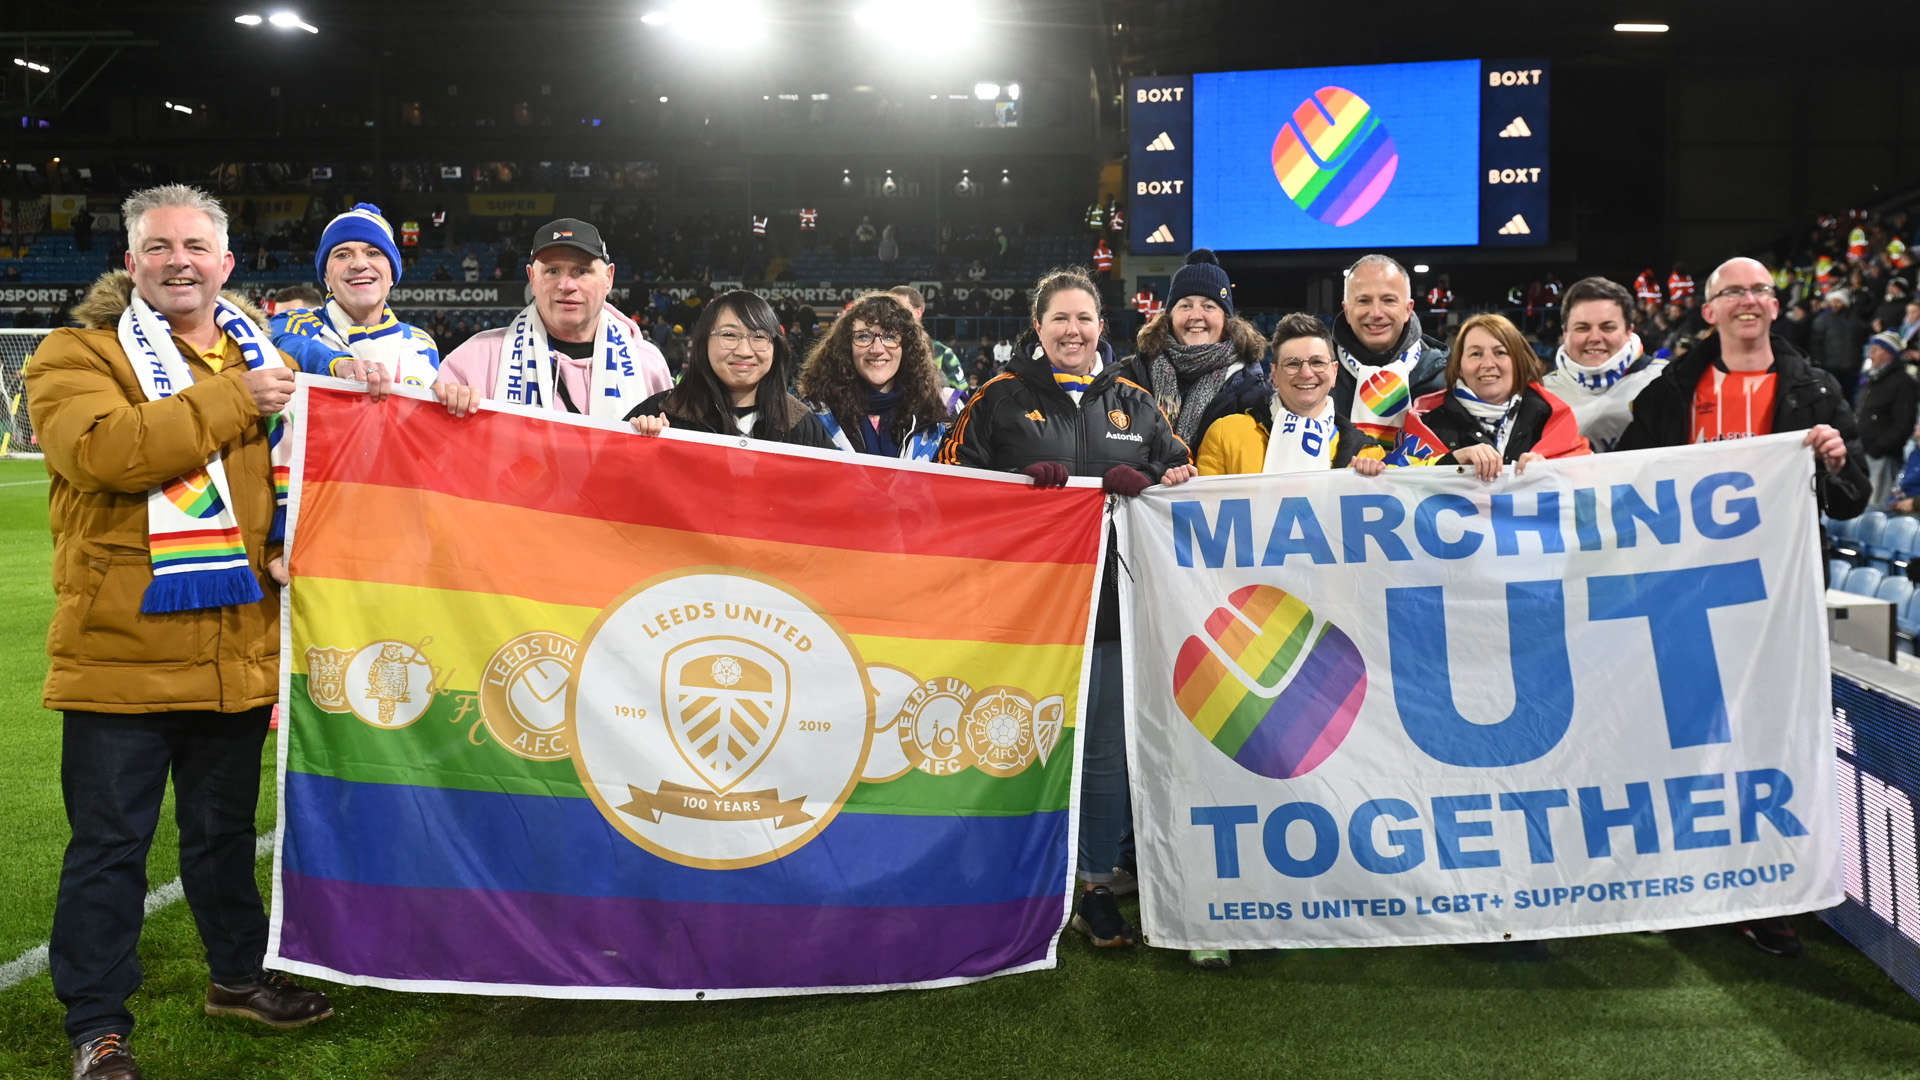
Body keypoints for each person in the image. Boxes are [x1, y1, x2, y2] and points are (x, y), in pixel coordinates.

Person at [24, 184, 331, 1080]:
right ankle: (97, 1024)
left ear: (227, 264)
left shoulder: (265, 353)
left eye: (196, 246)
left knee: (224, 836)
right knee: (111, 849)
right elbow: (107, 452)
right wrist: (239, 397)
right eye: (158, 247)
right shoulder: (75, 354)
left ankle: (236, 977)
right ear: (131, 262)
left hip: (236, 646)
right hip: (125, 653)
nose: (178, 261)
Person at [936, 267, 1194, 951]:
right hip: (1020, 609)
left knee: (1105, 754)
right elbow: (945, 478)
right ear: (1038, 327)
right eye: (1060, 320)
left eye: (1084, 319)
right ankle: (997, 878)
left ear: (1100, 328)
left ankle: (1096, 889)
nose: (1073, 331)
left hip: (1111, 607)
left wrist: (1154, 484)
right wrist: (1013, 488)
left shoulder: (1135, 402)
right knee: (1008, 738)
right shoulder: (997, 397)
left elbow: (1181, 476)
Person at [1617, 257, 1866, 954]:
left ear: (1776, 306)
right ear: (1710, 311)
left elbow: (1854, 499)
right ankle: (1685, 884)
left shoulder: (1814, 389)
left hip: (1775, 601)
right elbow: (1624, 475)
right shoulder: (1673, 390)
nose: (1748, 301)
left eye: (1759, 290)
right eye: (1732, 292)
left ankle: (1767, 893)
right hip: (1682, 598)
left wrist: (1837, 461)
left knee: (1770, 741)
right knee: (1681, 739)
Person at [434, 218, 670, 419]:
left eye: (582, 271)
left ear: (609, 278)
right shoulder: (474, 359)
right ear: (532, 278)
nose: (566, 285)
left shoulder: (647, 364)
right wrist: (443, 408)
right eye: (552, 271)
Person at [1388, 313, 1591, 477]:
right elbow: (1395, 484)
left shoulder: (1551, 418)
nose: (1487, 364)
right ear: (1459, 366)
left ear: (1518, 362)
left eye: (1500, 353)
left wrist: (1554, 472)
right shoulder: (1427, 422)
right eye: (1476, 354)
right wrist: (1453, 462)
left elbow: (1590, 483)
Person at [270, 204, 439, 397]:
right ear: (326, 277)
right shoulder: (294, 323)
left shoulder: (422, 344)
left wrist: (451, 398)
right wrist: (337, 363)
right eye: (343, 255)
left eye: (373, 253)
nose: (359, 264)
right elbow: (290, 343)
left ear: (392, 272)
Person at [627, 289, 834, 446]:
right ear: (703, 342)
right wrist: (639, 445)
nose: (744, 350)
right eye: (729, 335)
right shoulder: (660, 414)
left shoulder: (801, 423)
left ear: (775, 347)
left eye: (759, 337)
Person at [1118, 249, 1270, 452]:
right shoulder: (1132, 376)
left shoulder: (1252, 388)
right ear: (1170, 317)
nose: (1196, 315)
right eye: (1185, 306)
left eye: (1208, 306)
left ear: (1226, 319)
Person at [798, 293, 951, 459]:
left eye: (890, 336)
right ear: (846, 346)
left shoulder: (931, 419)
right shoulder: (815, 418)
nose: (877, 349)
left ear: (906, 348)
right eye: (863, 336)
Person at [1330, 254, 1449, 448]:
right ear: (1347, 310)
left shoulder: (1446, 376)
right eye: (1363, 301)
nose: (1376, 313)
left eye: (1388, 300)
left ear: (1408, 309)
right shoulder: (1318, 375)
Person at [1537, 276, 1666, 452]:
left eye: (1608, 327)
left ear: (1629, 331)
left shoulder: (1666, 380)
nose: (1595, 338)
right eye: (1582, 328)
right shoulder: (1541, 396)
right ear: (1565, 333)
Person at [1856, 330, 1918, 507]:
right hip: (1863, 452)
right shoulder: (1872, 378)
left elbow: (1904, 424)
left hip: (1881, 457)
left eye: (1876, 349)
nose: (1871, 353)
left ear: (1889, 353)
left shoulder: (1903, 382)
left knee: (1875, 507)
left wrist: (1879, 448)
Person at [886, 285, 966, 390]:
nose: (893, 315)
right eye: (890, 309)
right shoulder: (879, 350)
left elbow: (962, 398)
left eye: (900, 309)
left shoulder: (941, 353)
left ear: (918, 312)